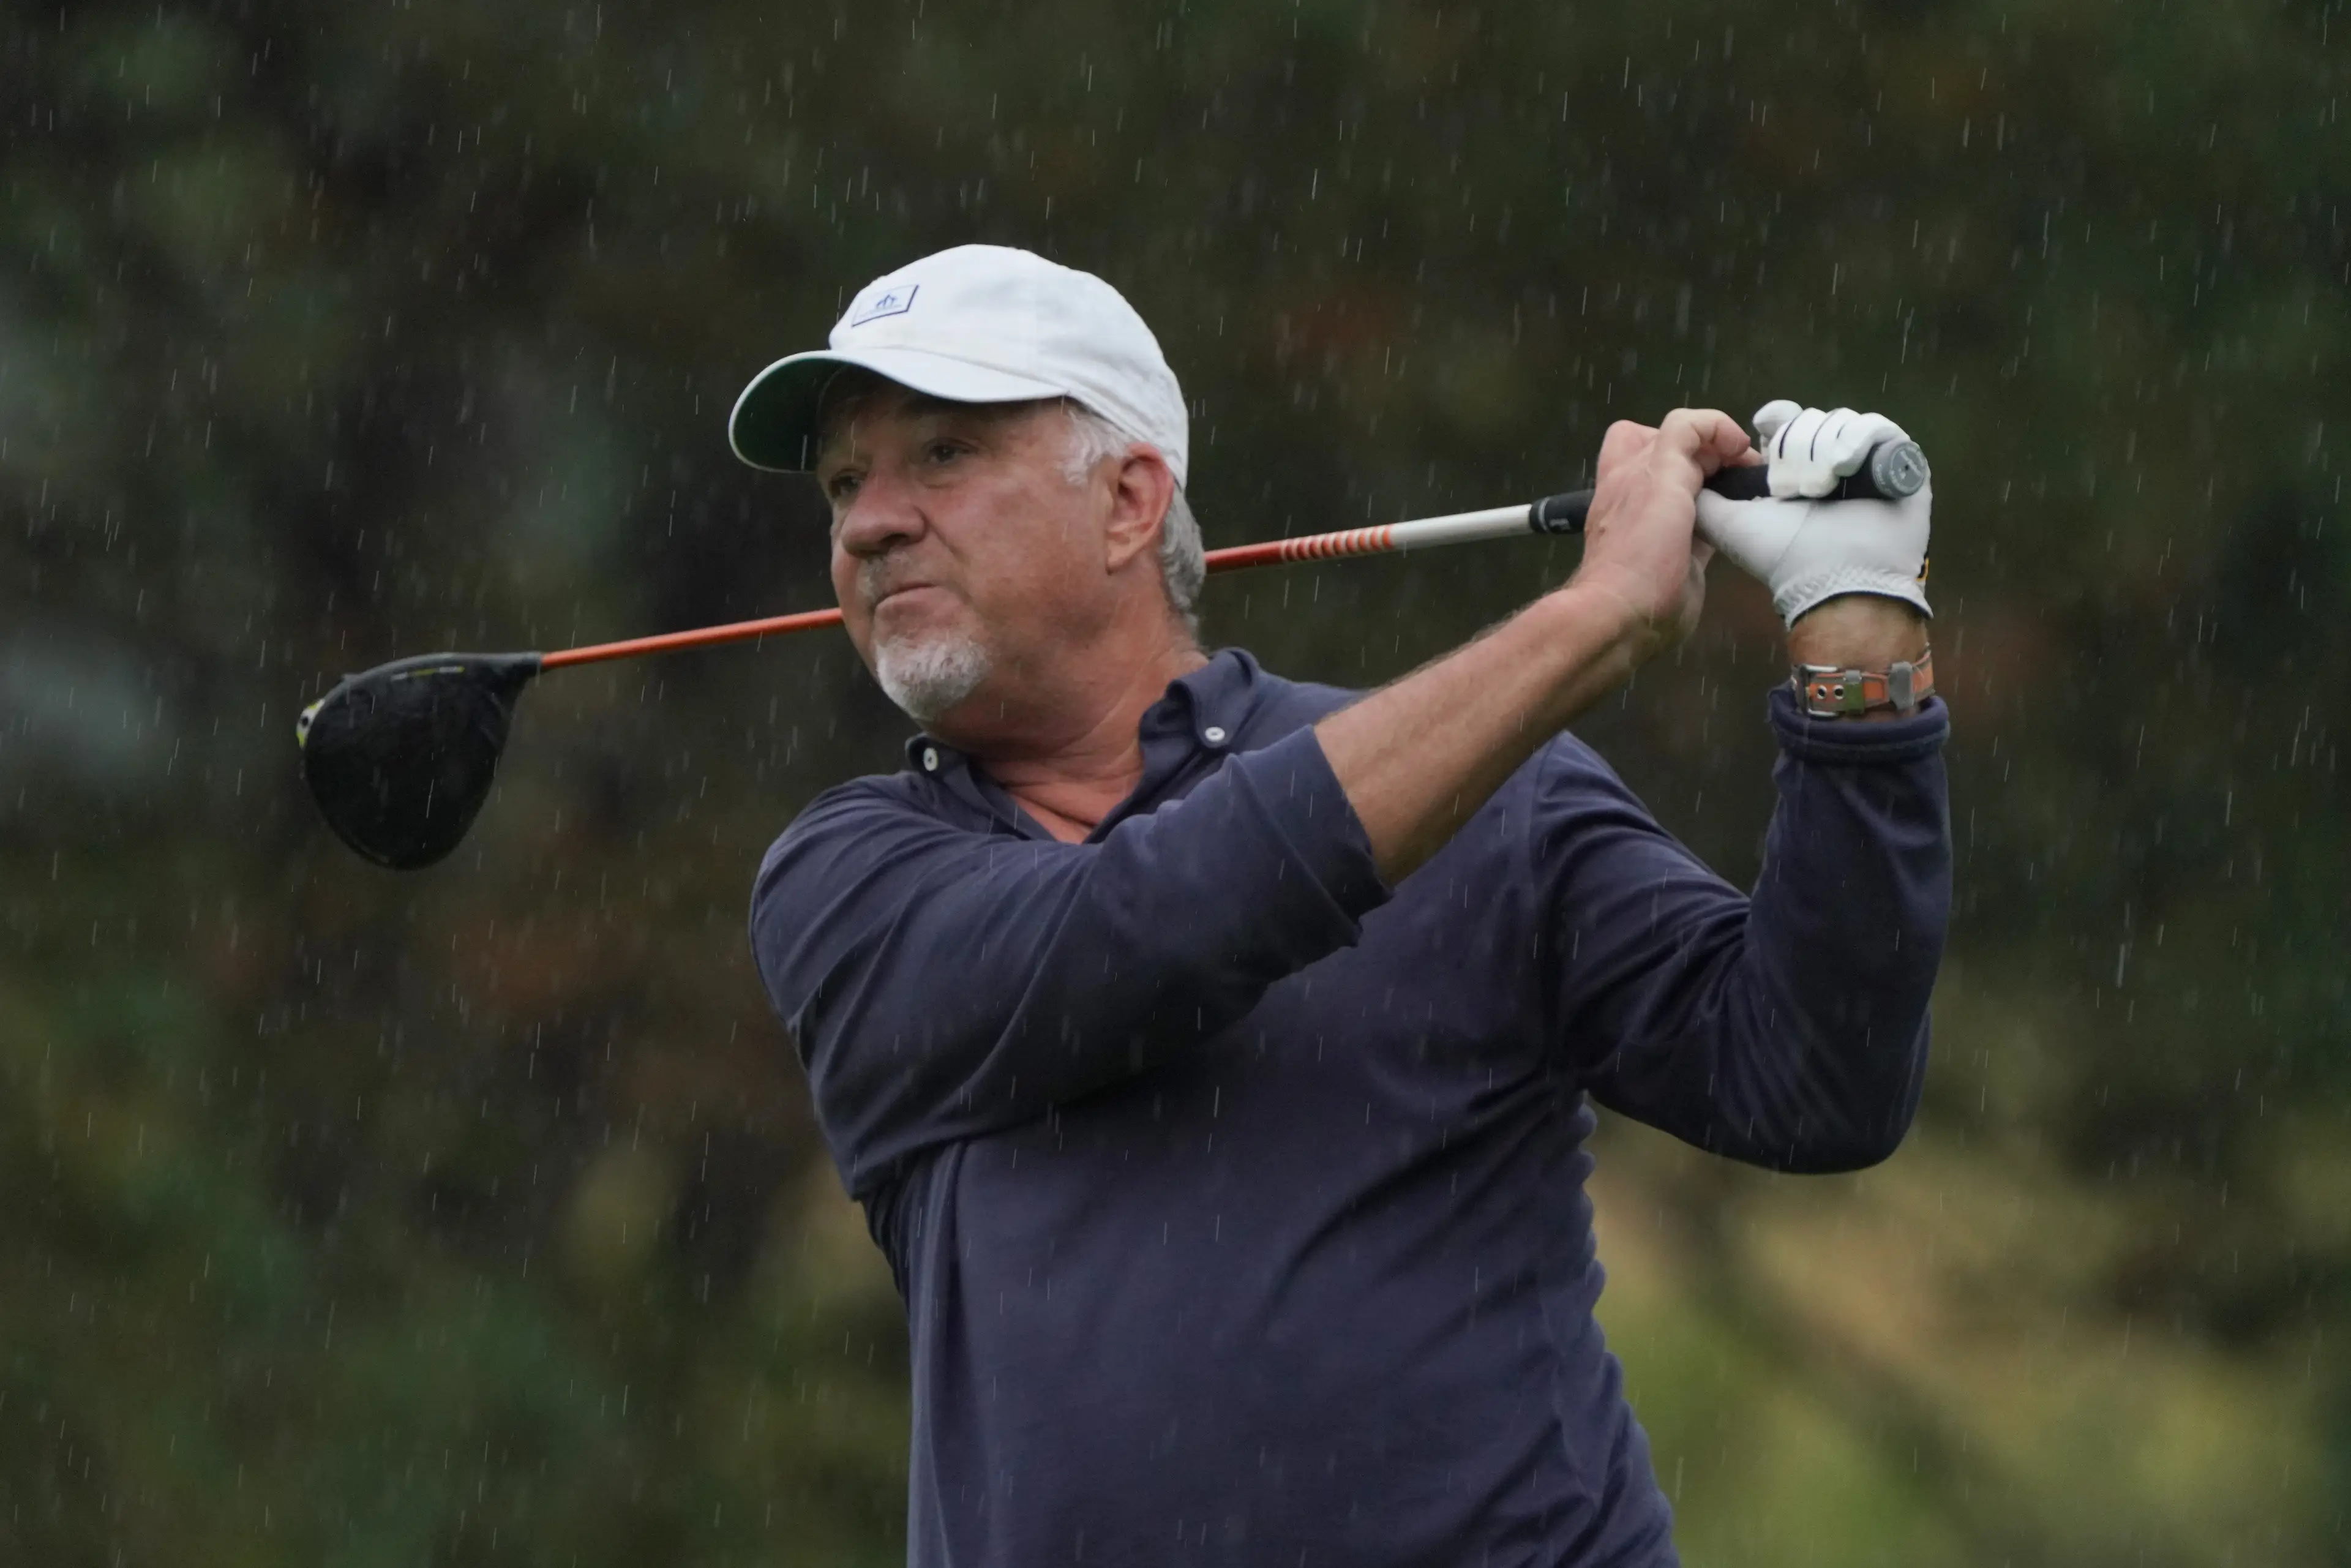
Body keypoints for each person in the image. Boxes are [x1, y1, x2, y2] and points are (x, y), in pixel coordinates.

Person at [732, 244, 1949, 1566]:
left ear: (1133, 501)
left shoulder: (1496, 794)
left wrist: (1858, 638)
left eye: (941, 458)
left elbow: (1811, 1080)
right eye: (847, 483)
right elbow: (1147, 924)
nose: (869, 520)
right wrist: (1591, 620)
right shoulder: (851, 877)